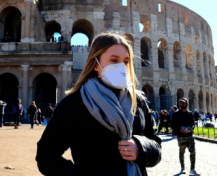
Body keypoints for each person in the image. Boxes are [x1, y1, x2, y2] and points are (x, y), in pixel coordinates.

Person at [36, 32, 162, 176]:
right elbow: (46, 156)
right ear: (95, 64)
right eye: (114, 60)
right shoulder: (74, 104)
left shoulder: (138, 101)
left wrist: (141, 147)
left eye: (126, 61)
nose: (122, 67)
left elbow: (156, 145)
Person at [172, 98, 199, 176]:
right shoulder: (176, 114)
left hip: (190, 136)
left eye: (183, 103)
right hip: (181, 136)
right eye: (181, 103)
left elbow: (193, 123)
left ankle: (192, 169)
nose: (182, 104)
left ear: (187, 104)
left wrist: (191, 128)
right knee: (181, 152)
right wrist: (179, 129)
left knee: (193, 152)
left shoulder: (190, 113)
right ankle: (182, 167)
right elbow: (173, 125)